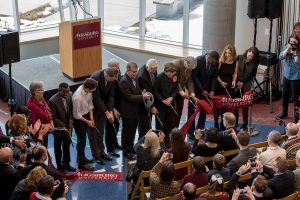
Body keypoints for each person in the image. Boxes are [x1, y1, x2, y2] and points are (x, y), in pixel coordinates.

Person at [119, 62, 151, 160]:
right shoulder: (124, 81)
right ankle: (126, 151)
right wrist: (143, 97)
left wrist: (142, 92)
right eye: (133, 72)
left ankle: (131, 148)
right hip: (128, 112)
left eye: (136, 71)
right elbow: (129, 97)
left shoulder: (135, 78)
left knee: (133, 131)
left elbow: (136, 91)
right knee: (127, 132)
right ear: (128, 71)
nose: (135, 73)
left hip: (135, 111)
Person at [90, 67, 119, 164]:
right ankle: (96, 155)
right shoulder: (95, 78)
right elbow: (96, 98)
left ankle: (102, 152)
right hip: (93, 109)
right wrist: (106, 112)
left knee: (101, 131)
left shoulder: (112, 78)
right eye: (112, 79)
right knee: (94, 133)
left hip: (104, 108)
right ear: (106, 76)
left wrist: (110, 110)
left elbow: (111, 95)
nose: (114, 81)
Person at [187, 51, 219, 140]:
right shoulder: (199, 60)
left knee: (203, 112)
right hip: (196, 90)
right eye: (212, 62)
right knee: (192, 111)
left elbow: (214, 77)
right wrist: (202, 90)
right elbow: (195, 77)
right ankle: (190, 131)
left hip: (207, 91)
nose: (213, 64)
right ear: (209, 57)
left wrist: (212, 90)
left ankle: (199, 130)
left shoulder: (215, 62)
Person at [48, 82, 76, 171]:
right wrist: (64, 127)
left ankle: (67, 163)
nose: (66, 94)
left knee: (66, 146)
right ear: (59, 90)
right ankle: (59, 166)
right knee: (58, 148)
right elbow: (54, 117)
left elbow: (71, 109)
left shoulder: (70, 94)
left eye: (67, 92)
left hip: (68, 126)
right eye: (64, 92)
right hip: (58, 129)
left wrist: (71, 121)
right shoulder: (52, 100)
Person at [72, 78, 98, 170]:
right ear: (88, 88)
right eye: (94, 88)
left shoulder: (88, 91)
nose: (95, 90)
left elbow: (90, 104)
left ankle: (82, 157)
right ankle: (81, 163)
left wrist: (91, 117)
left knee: (84, 139)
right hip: (79, 120)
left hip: (86, 116)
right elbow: (76, 115)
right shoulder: (77, 97)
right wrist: (87, 122)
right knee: (81, 140)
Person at [214, 45, 238, 131]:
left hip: (228, 86)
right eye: (226, 53)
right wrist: (221, 82)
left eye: (230, 53)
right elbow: (215, 74)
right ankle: (216, 123)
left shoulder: (235, 62)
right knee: (217, 107)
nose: (227, 55)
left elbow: (234, 74)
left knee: (225, 106)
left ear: (233, 54)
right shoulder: (221, 61)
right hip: (219, 85)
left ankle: (223, 124)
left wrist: (234, 80)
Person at [234, 47, 259, 130]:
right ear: (248, 52)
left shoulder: (255, 63)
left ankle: (245, 122)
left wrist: (243, 82)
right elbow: (234, 70)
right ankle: (235, 121)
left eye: (251, 57)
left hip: (246, 84)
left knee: (245, 104)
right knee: (236, 103)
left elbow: (253, 75)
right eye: (249, 55)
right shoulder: (239, 57)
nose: (249, 58)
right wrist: (237, 81)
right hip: (236, 83)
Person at [153, 62, 178, 145]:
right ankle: (160, 141)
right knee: (160, 124)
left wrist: (171, 97)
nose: (171, 76)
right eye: (169, 74)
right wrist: (162, 100)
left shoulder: (174, 76)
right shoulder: (160, 77)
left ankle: (168, 139)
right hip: (161, 105)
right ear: (165, 71)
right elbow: (155, 91)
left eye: (173, 74)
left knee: (170, 122)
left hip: (170, 103)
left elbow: (176, 89)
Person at [277, 33, 300, 122]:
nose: (292, 43)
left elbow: (298, 65)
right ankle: (284, 113)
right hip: (286, 75)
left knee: (296, 98)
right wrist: (287, 50)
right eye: (291, 42)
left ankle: (297, 117)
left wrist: (295, 54)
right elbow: (280, 57)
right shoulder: (286, 46)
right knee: (285, 95)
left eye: (294, 42)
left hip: (296, 77)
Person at [173, 56, 198, 127]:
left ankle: (176, 129)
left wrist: (192, 94)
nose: (191, 69)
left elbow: (189, 81)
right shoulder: (176, 65)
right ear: (186, 63)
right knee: (173, 112)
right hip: (173, 90)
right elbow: (175, 81)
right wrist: (183, 94)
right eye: (190, 67)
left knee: (179, 111)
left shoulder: (190, 67)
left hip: (181, 91)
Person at [27, 81, 54, 146]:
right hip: (39, 135)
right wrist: (46, 126)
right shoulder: (31, 105)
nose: (44, 91)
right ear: (35, 92)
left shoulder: (41, 99)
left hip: (45, 131)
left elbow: (48, 112)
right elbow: (33, 124)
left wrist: (51, 122)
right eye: (41, 90)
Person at [136, 59, 158, 139]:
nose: (154, 72)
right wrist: (152, 106)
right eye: (152, 70)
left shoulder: (153, 68)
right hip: (144, 104)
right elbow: (147, 93)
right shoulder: (142, 76)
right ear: (147, 67)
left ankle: (148, 140)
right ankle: (142, 142)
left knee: (148, 124)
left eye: (155, 70)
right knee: (143, 125)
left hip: (151, 100)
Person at [105, 59, 122, 156]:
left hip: (119, 105)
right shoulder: (108, 77)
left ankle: (115, 143)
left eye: (119, 66)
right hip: (110, 106)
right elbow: (108, 96)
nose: (118, 69)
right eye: (116, 67)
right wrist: (112, 109)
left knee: (117, 125)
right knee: (109, 127)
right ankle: (110, 148)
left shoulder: (119, 73)